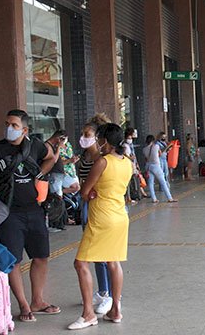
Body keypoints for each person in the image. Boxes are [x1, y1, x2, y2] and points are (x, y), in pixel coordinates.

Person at [0, 109, 59, 322]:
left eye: (13, 125)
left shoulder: (36, 146)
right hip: (8, 212)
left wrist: (40, 175)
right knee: (13, 260)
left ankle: (37, 301)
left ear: (25, 129)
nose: (9, 128)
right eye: (7, 124)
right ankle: (23, 305)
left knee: (41, 256)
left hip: (35, 210)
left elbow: (50, 158)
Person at [68, 123, 132, 330]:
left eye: (98, 139)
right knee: (113, 261)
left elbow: (85, 192)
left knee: (81, 263)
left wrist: (89, 193)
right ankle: (116, 310)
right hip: (120, 216)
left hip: (101, 218)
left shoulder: (102, 162)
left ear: (104, 141)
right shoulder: (127, 162)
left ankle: (88, 314)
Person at [76, 114, 114, 315]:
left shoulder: (103, 158)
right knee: (95, 253)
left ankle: (111, 295)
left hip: (101, 206)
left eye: (87, 134)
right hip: (86, 205)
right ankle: (102, 290)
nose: (83, 137)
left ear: (97, 137)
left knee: (105, 253)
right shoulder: (85, 156)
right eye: (83, 134)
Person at [45, 130, 80, 201]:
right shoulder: (51, 146)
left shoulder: (68, 145)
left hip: (71, 171)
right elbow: (55, 161)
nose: (64, 141)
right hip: (60, 172)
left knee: (76, 189)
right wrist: (58, 147)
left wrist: (73, 159)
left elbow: (70, 155)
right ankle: (57, 194)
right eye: (63, 139)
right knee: (75, 188)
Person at [143, 134, 177, 203]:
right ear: (153, 140)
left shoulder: (144, 149)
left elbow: (146, 159)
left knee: (151, 183)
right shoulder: (156, 146)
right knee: (163, 182)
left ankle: (154, 198)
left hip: (148, 166)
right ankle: (169, 198)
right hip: (156, 166)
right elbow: (160, 154)